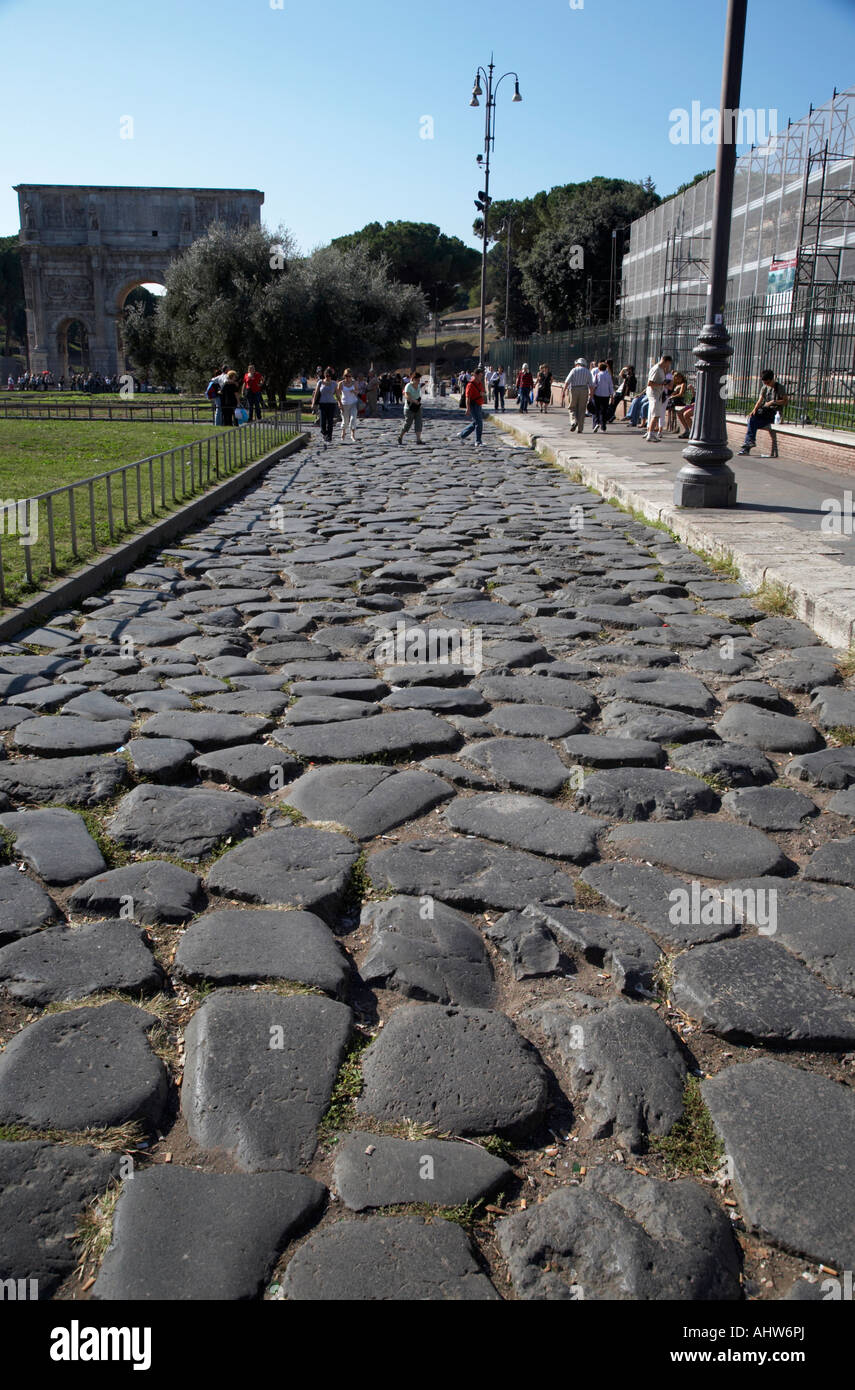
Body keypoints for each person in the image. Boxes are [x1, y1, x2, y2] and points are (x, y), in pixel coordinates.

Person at [738, 370, 788, 455]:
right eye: (764, 382)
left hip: (774, 414)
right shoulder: (764, 388)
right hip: (765, 412)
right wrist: (754, 410)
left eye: (768, 382)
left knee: (752, 423)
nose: (766, 384)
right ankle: (749, 443)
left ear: (772, 379)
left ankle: (747, 446)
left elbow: (785, 401)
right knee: (752, 419)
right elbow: (759, 400)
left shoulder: (779, 387)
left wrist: (773, 402)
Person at [645, 353, 672, 442]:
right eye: (668, 364)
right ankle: (650, 434)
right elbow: (650, 383)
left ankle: (650, 433)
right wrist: (662, 384)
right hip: (654, 394)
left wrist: (664, 383)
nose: (668, 366)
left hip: (658, 393)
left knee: (656, 414)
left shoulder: (661, 369)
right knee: (655, 415)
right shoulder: (656, 369)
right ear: (666, 361)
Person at [562, 358, 594, 433]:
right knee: (582, 409)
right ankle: (580, 428)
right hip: (584, 390)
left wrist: (563, 391)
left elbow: (567, 381)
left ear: (578, 364)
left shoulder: (574, 370)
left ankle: (573, 422)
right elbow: (591, 385)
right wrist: (591, 396)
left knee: (572, 407)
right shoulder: (588, 372)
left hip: (574, 390)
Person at [459, 367, 486, 446]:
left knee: (476, 423)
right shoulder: (470, 384)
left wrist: (483, 394)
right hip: (473, 405)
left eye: (482, 376)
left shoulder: (480, 383)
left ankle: (462, 435)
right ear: (476, 375)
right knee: (479, 423)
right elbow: (467, 398)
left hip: (479, 405)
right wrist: (468, 408)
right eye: (480, 376)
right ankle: (478, 441)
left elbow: (482, 392)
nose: (481, 377)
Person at [398, 369, 424, 444]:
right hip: (409, 408)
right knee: (408, 424)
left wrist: (418, 400)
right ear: (413, 379)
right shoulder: (408, 385)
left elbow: (419, 393)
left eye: (419, 380)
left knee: (419, 423)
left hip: (417, 407)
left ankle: (418, 440)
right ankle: (400, 436)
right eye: (417, 379)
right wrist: (414, 400)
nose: (418, 381)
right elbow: (406, 395)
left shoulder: (418, 386)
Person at [313, 368, 337, 445]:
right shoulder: (320, 382)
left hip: (331, 403)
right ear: (324, 375)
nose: (328, 377)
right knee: (322, 421)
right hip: (322, 404)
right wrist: (313, 403)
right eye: (326, 375)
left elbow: (337, 394)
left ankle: (329, 436)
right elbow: (316, 393)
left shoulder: (334, 383)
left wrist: (340, 403)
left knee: (330, 421)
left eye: (329, 375)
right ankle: (324, 432)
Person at [591, 360, 615, 432]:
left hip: (597, 395)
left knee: (597, 409)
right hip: (606, 395)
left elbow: (594, 385)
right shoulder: (608, 376)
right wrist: (612, 396)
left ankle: (596, 423)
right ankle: (603, 425)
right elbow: (611, 386)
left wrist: (591, 394)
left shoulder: (597, 375)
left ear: (599, 368)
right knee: (604, 410)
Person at [337, 368, 359, 442]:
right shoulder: (341, 383)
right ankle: (343, 433)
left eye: (349, 376)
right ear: (344, 376)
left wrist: (354, 391)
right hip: (344, 404)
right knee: (345, 421)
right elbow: (338, 394)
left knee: (353, 419)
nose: (348, 377)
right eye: (346, 376)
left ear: (351, 376)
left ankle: (353, 435)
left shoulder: (354, 383)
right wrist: (339, 403)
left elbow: (357, 392)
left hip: (353, 403)